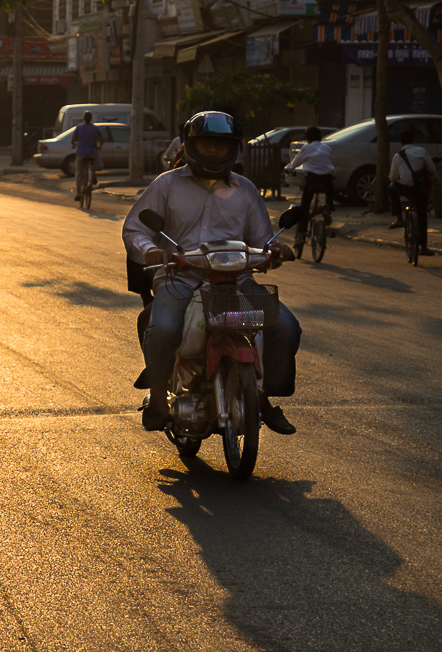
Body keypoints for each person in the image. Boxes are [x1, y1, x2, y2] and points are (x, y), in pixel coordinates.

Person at [122, 111, 301, 435]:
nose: (214, 151)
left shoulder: (246, 190)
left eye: (221, 145)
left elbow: (261, 240)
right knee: (162, 327)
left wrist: (275, 251)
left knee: (285, 327)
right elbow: (135, 228)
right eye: (207, 144)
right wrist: (151, 250)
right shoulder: (166, 184)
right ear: (191, 145)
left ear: (233, 148)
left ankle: (261, 398)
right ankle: (160, 399)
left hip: (236, 282)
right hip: (181, 280)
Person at [388, 127, 438, 256]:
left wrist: (396, 179)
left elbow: (393, 177)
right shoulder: (421, 151)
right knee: (422, 216)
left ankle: (399, 217)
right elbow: (432, 169)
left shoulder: (397, 156)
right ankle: (424, 248)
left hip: (405, 188)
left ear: (400, 142)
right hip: (421, 188)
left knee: (391, 187)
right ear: (413, 140)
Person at [286, 125, 335, 255]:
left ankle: (301, 235)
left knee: (304, 207)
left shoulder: (306, 148)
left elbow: (295, 163)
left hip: (312, 179)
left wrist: (288, 168)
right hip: (327, 178)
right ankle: (328, 206)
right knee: (330, 189)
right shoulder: (327, 148)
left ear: (307, 138)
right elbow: (330, 164)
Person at [70, 111, 103, 201]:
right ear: (91, 118)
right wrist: (99, 147)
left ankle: (78, 194)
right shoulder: (95, 128)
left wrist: (73, 145)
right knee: (92, 163)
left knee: (79, 173)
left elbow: (73, 140)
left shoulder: (79, 127)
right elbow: (101, 140)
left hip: (81, 153)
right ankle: (92, 174)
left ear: (83, 118)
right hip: (91, 152)